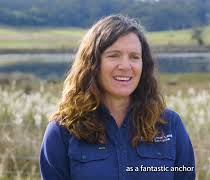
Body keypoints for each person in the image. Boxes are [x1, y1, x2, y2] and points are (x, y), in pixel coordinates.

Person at [39, 14, 195, 180]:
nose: (125, 66)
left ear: (144, 65)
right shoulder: (62, 130)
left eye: (134, 57)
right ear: (92, 63)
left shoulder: (170, 125)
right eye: (114, 55)